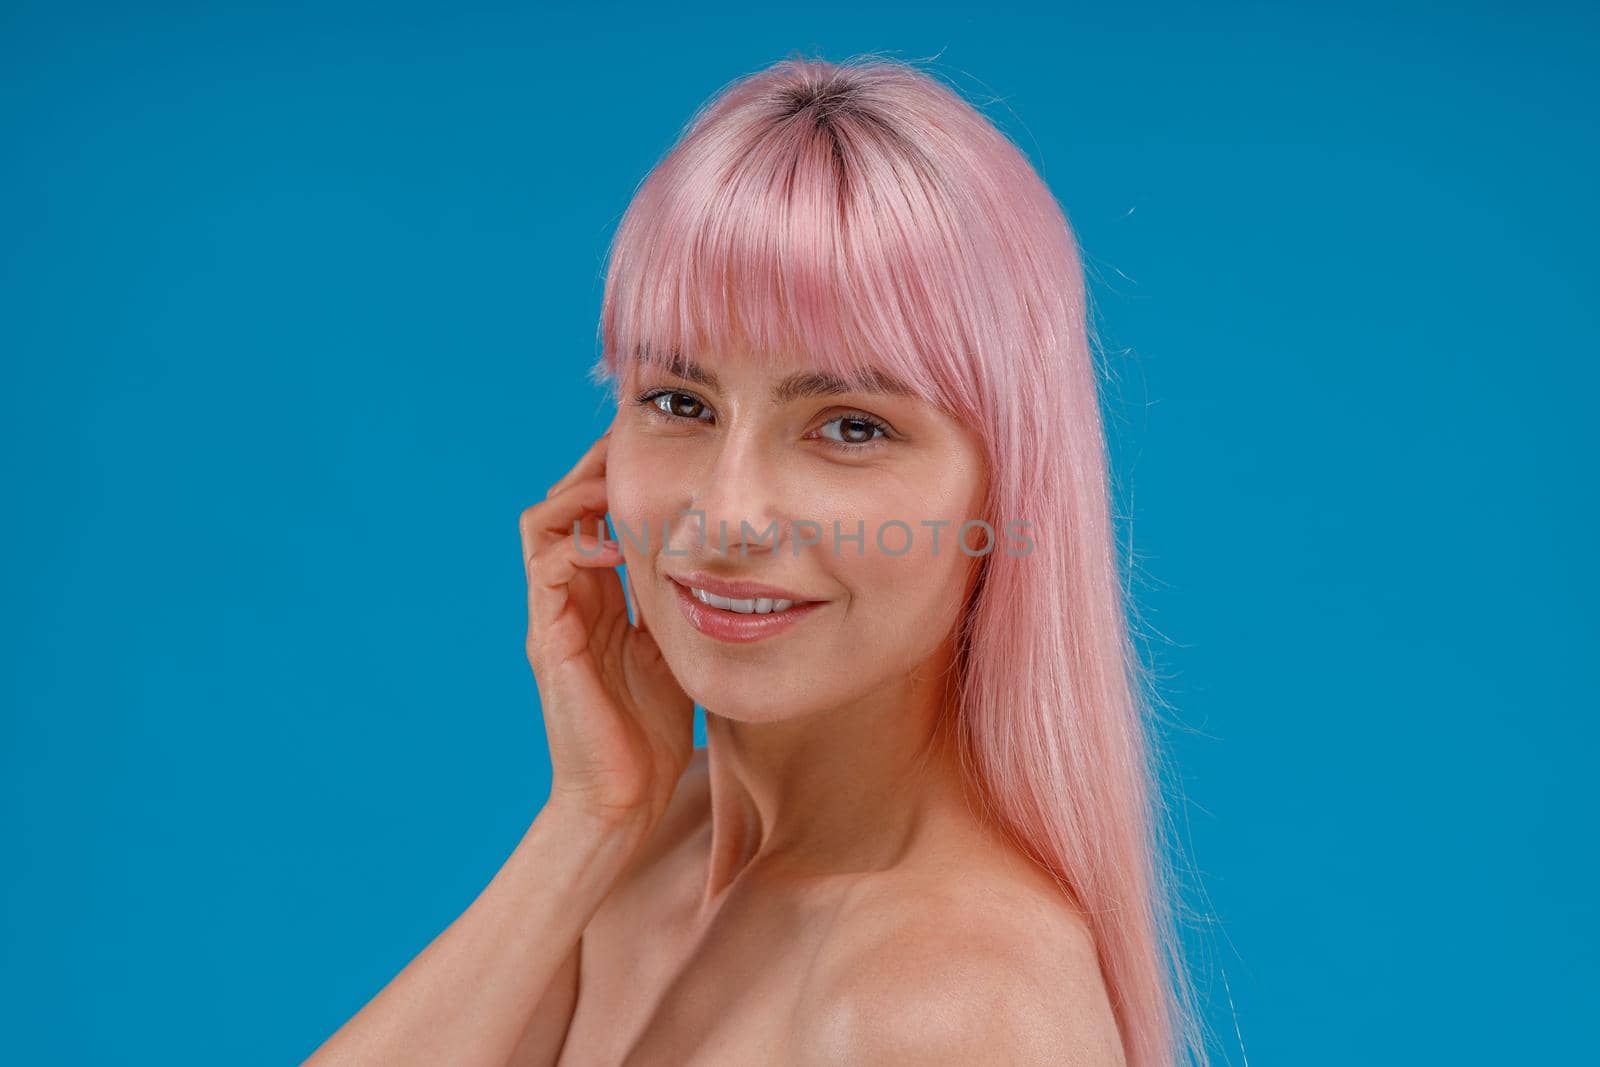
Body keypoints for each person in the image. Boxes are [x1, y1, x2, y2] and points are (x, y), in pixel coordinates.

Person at [305, 52, 1205, 1067]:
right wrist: (587, 821)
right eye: (679, 402)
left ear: (1006, 487)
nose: (727, 514)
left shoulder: (949, 1003)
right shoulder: (647, 843)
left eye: (851, 426)